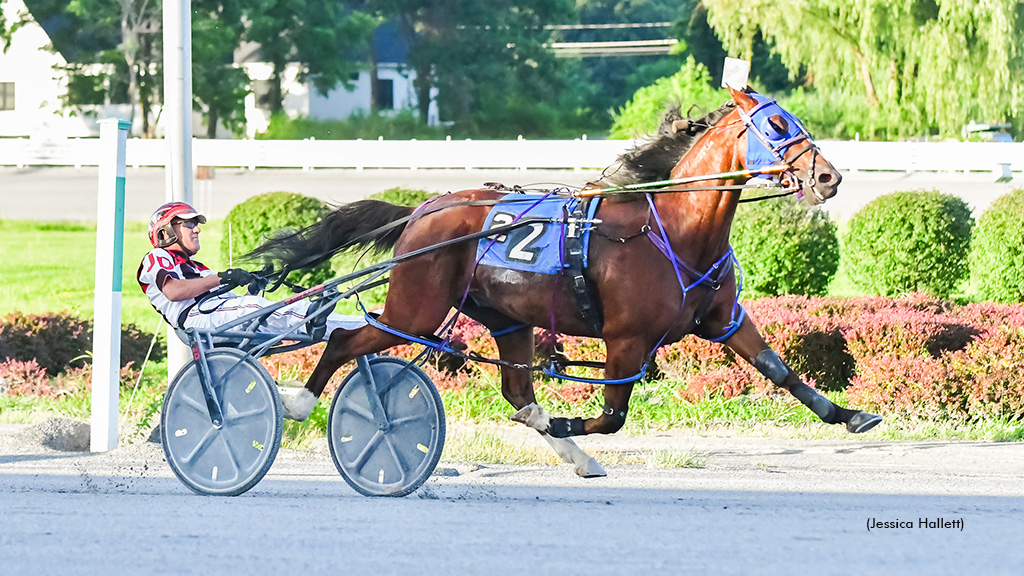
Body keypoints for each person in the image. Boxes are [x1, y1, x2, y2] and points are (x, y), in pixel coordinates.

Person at [137, 201, 364, 420]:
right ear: (165, 233)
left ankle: (358, 324)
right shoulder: (157, 257)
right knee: (259, 309)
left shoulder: (197, 267)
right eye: (188, 224)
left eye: (195, 224)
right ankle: (347, 324)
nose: (196, 229)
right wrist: (222, 277)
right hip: (196, 318)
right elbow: (174, 291)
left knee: (259, 308)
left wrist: (254, 286)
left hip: (213, 314)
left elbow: (233, 307)